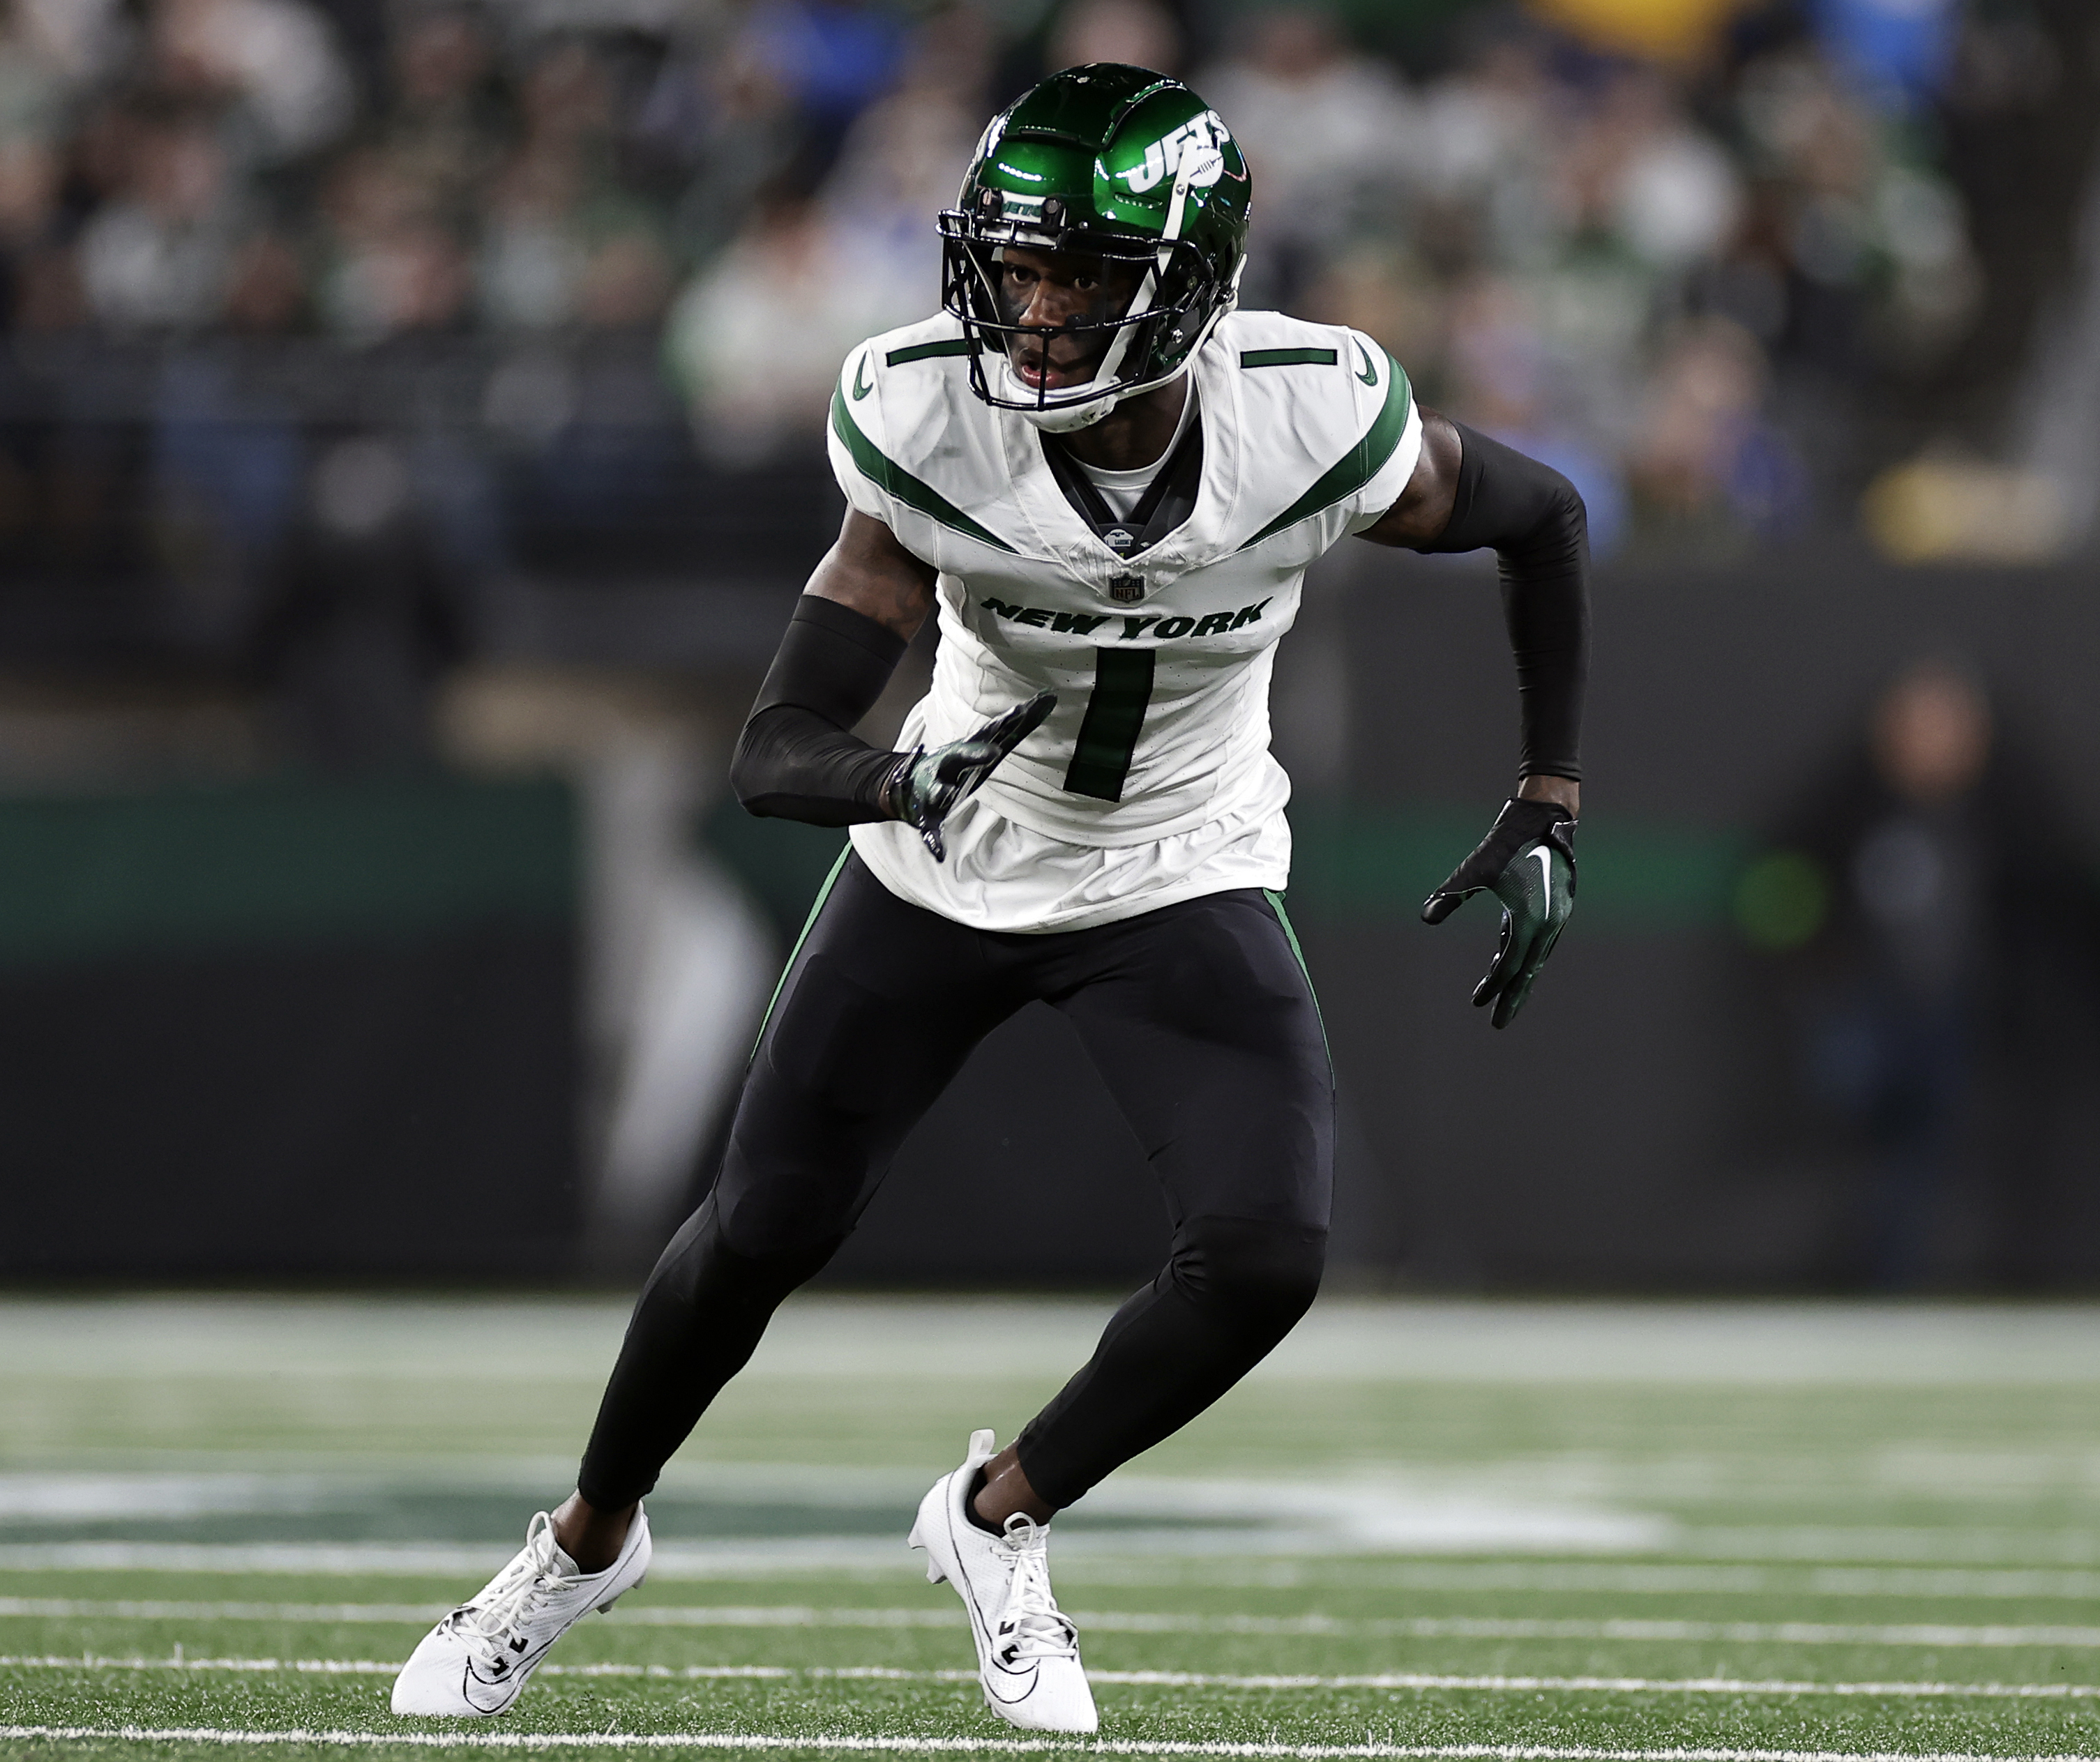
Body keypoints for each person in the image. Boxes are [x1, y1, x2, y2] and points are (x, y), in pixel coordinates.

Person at [390, 63, 1589, 1733]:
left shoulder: (1310, 418)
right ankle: (583, 1542)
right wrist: (898, 784)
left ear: (1188, 282)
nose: (1031, 312)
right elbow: (777, 746)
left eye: (1078, 275)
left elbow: (1545, 517)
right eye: (1016, 268)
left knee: (1265, 1257)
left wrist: (1549, 797)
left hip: (1178, 862)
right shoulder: (928, 420)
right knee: (758, 1229)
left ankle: (997, 1511)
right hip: (952, 855)